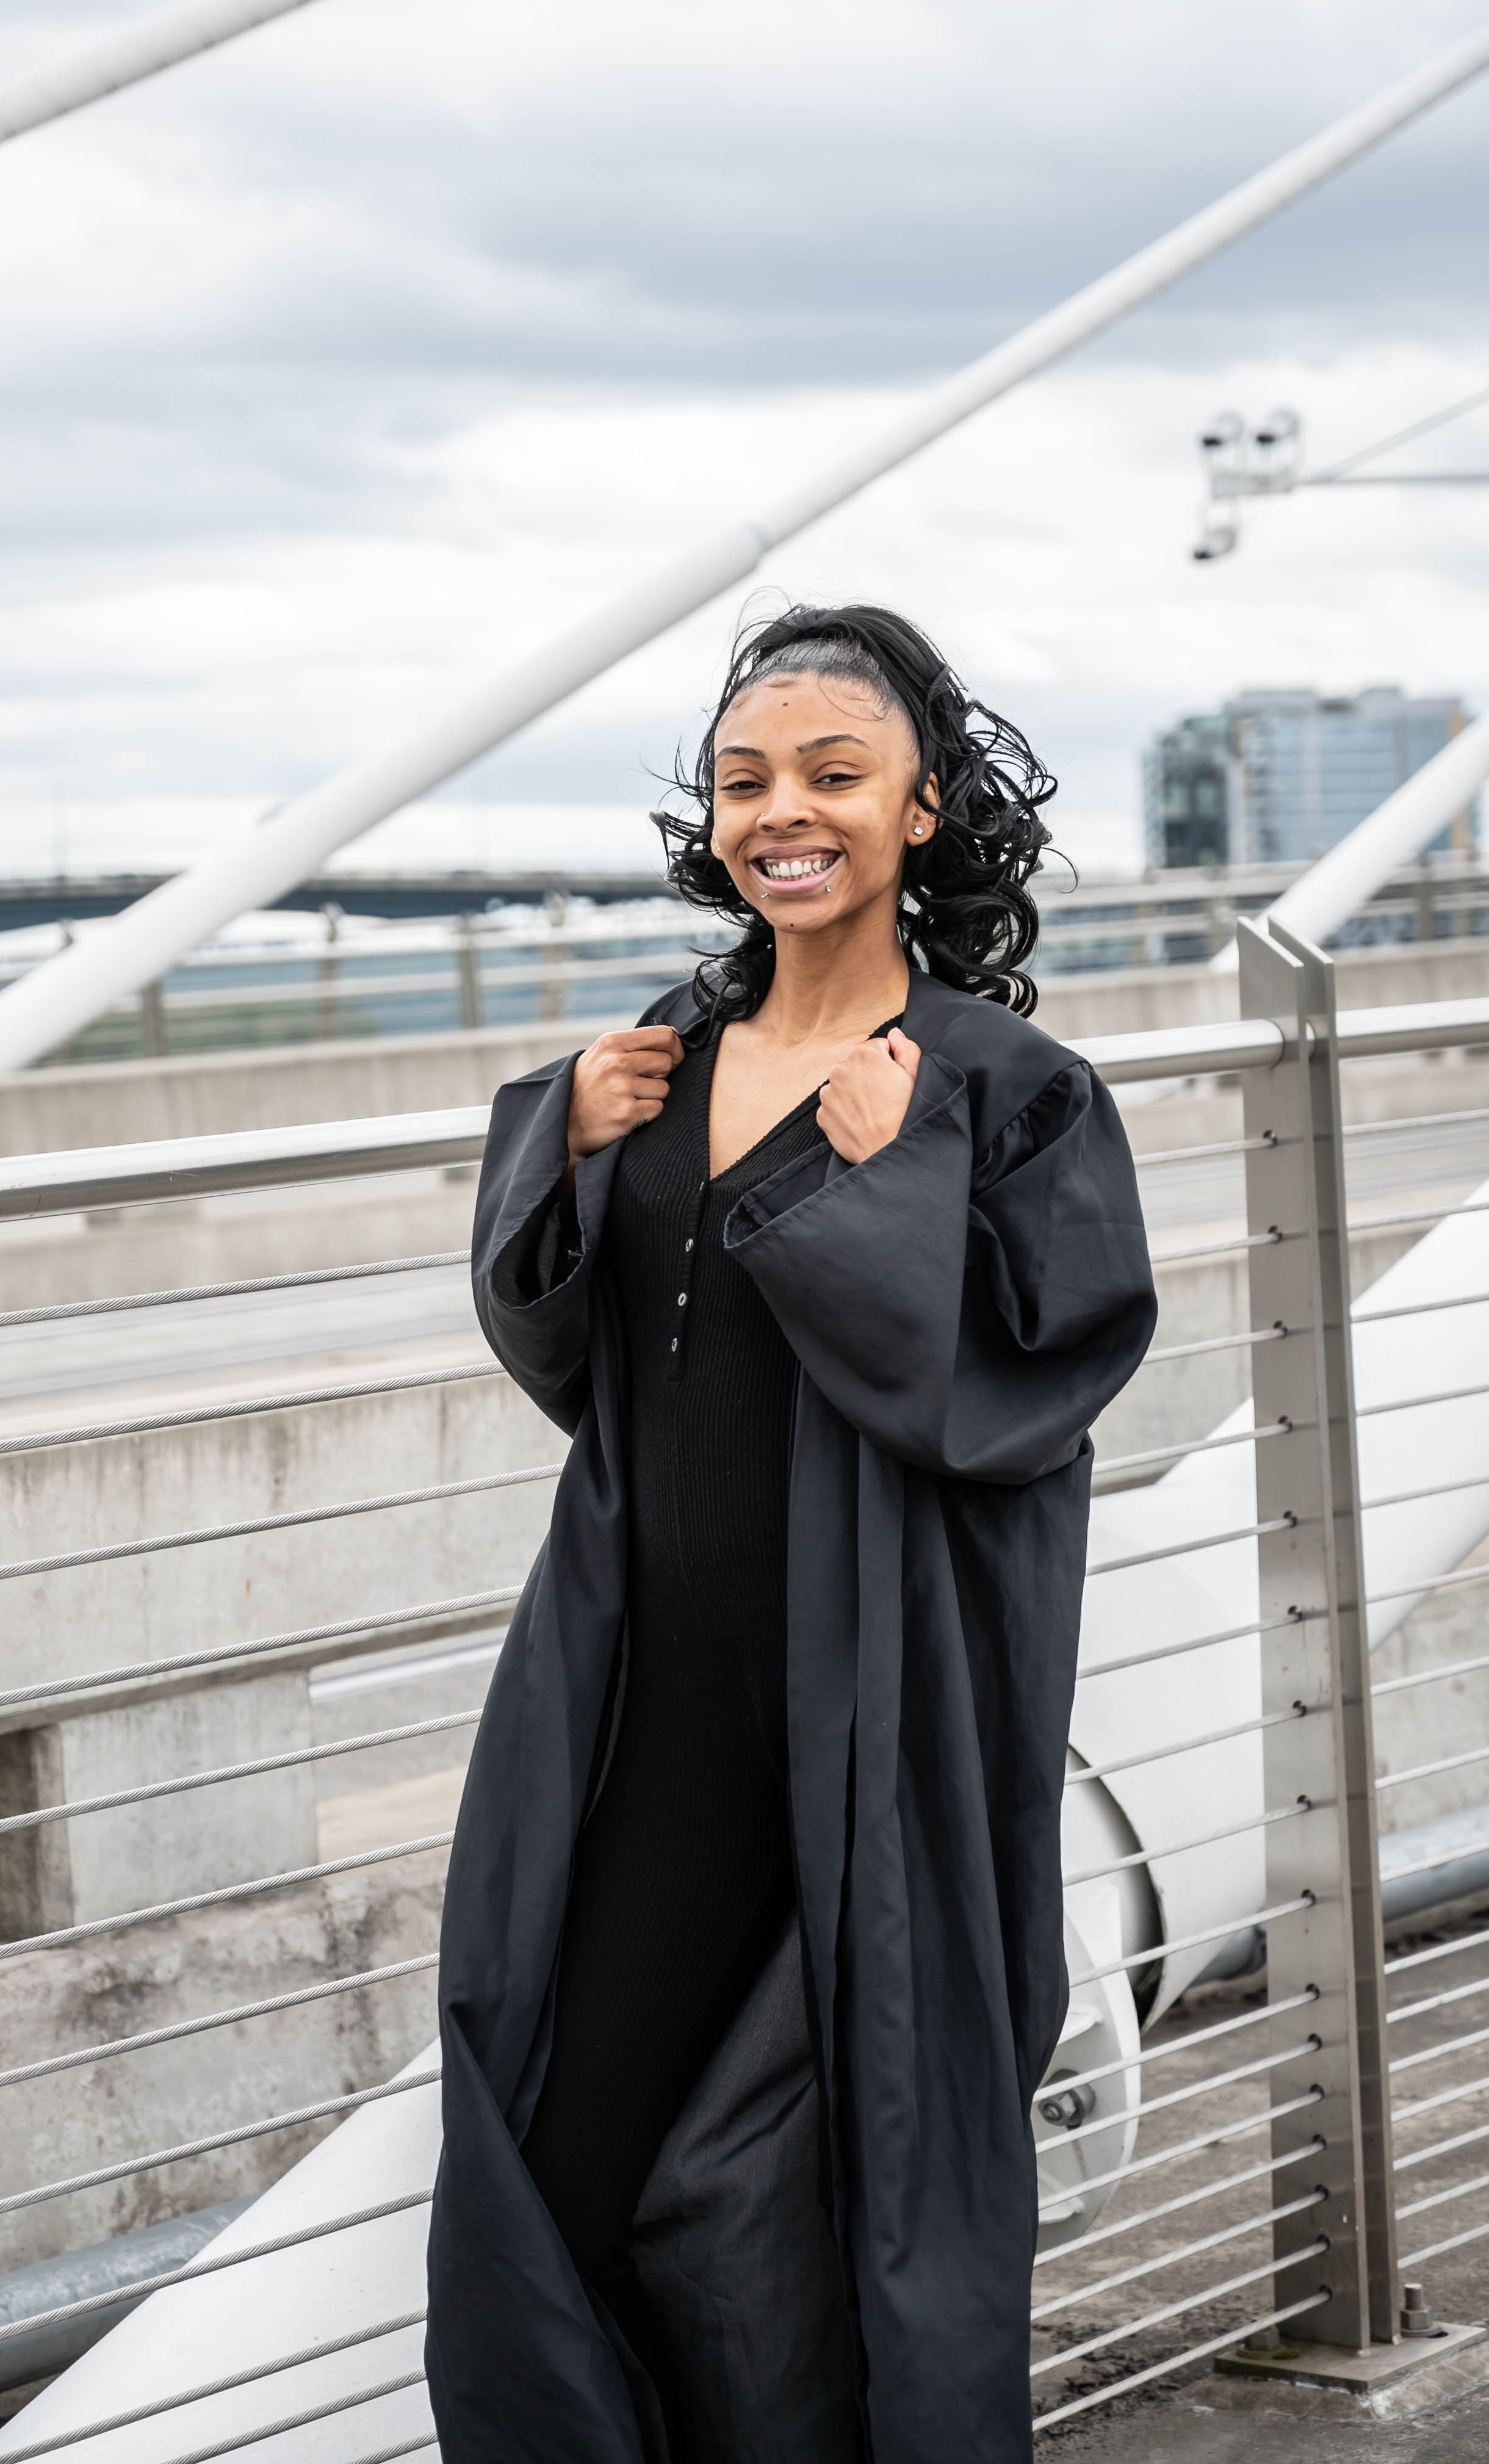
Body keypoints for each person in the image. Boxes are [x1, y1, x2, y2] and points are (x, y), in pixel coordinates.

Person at [426, 603, 1157, 2463]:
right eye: (744, 780)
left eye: (835, 773)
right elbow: (580, 1366)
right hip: (637, 1695)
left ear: (922, 809)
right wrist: (560, 1147)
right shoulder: (660, 1056)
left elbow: (1025, 1398)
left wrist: (886, 1175)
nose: (782, 812)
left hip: (868, 1707)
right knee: (566, 2155)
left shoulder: (1002, 1088)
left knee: (838, 2188)